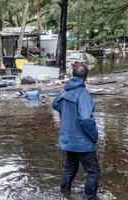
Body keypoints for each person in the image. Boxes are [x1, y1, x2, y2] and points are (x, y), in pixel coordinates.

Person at [52, 65, 100, 200]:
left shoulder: (63, 92)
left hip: (68, 141)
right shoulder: (83, 93)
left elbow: (55, 105)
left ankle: (64, 194)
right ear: (86, 77)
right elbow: (86, 119)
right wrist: (94, 136)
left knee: (69, 170)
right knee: (93, 172)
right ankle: (88, 198)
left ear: (72, 75)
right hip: (83, 143)